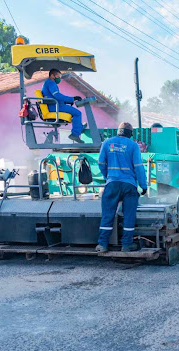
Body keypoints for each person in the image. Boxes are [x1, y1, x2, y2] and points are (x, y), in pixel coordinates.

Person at [95, 122, 147, 253]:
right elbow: (139, 167)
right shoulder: (133, 145)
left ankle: (102, 245)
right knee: (129, 215)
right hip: (129, 185)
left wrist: (108, 176)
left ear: (118, 131)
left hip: (112, 184)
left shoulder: (107, 142)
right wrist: (143, 186)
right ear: (130, 134)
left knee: (108, 214)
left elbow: (100, 162)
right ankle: (126, 245)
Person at [41, 69, 84, 143]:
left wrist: (67, 101)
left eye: (60, 76)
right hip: (55, 106)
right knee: (77, 113)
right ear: (52, 75)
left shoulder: (48, 83)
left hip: (55, 105)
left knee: (75, 113)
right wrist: (72, 99)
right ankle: (75, 134)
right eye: (58, 76)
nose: (59, 78)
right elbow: (57, 95)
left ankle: (78, 128)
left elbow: (54, 96)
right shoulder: (51, 83)